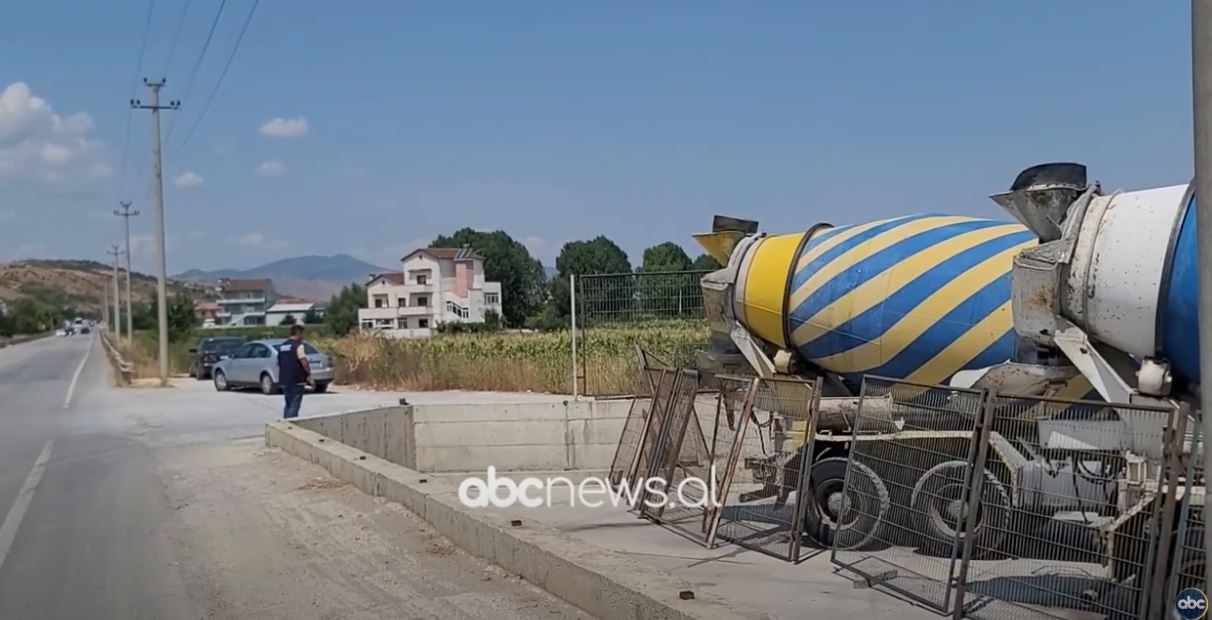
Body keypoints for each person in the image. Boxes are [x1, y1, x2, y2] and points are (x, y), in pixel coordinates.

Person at [276, 324, 311, 419]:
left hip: (284, 379)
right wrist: (308, 374)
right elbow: (303, 361)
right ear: (298, 333)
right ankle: (291, 424)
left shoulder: (282, 346)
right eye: (302, 334)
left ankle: (285, 423)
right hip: (297, 380)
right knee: (295, 404)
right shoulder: (298, 346)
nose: (303, 337)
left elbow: (279, 362)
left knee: (288, 403)